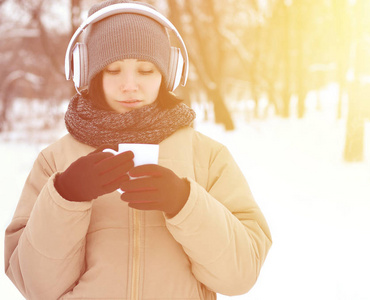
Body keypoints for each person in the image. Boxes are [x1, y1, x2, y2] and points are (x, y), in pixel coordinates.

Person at [3, 0, 272, 299]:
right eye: (113, 70)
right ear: (88, 74)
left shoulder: (207, 158)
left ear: (169, 72)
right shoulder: (54, 161)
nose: (129, 85)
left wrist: (186, 204)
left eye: (146, 70)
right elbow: (35, 286)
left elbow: (240, 276)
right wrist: (66, 196)